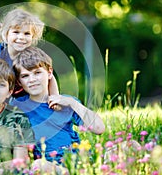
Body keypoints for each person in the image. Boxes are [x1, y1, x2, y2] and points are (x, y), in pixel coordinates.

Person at [10, 46, 106, 174]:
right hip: (48, 165)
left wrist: (72, 103)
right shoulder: (17, 106)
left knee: (130, 145)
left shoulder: (66, 102)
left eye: (37, 73)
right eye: (25, 76)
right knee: (39, 165)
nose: (32, 80)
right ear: (19, 82)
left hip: (77, 160)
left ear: (49, 73)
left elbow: (99, 128)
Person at [0, 8, 60, 113]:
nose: (21, 37)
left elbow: (49, 76)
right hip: (2, 95)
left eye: (27, 34)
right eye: (16, 32)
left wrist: (55, 98)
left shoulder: (32, 56)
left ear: (33, 36)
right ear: (6, 34)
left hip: (27, 97)